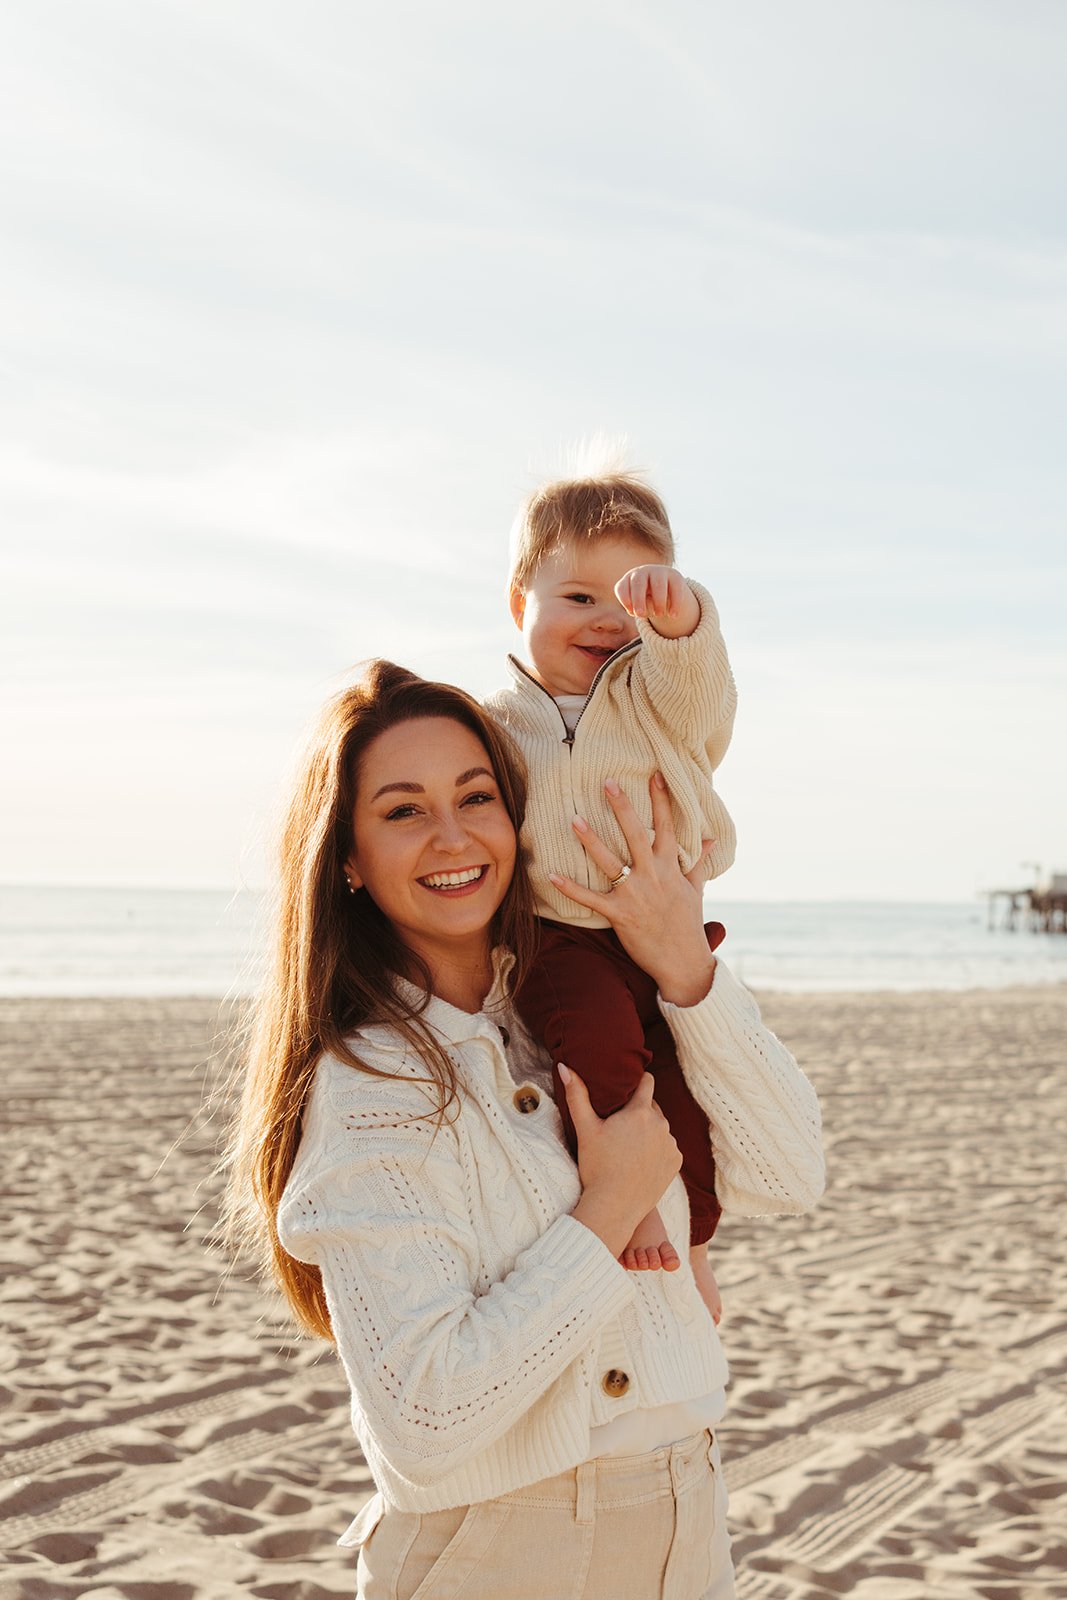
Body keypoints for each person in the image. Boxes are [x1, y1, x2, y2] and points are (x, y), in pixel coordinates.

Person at [225, 660, 824, 1600]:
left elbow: (791, 1173)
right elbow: (423, 1424)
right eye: (402, 811)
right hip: (504, 1554)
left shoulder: (579, 1008)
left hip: (689, 1522)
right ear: (345, 857)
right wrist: (609, 1210)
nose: (453, 836)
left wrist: (683, 971)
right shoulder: (367, 1086)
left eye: (477, 796)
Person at [485, 467, 736, 1296]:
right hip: (561, 931)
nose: (604, 621)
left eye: (627, 605)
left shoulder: (655, 701)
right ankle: (631, 1207)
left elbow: (702, 690)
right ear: (522, 606)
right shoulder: (492, 722)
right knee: (600, 1053)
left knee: (687, 1094)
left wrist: (683, 619)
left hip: (663, 926)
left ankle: (696, 1245)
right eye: (577, 598)